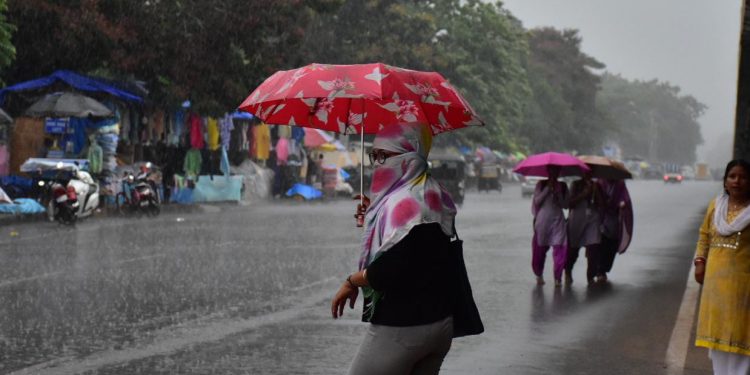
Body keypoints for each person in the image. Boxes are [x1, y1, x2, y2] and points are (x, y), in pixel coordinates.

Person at [331, 123, 459, 375]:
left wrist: (351, 281)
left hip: (404, 322)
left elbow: (391, 268)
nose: (377, 163)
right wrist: (376, 212)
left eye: (384, 156)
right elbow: (422, 247)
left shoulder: (402, 204)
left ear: (408, 158)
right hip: (441, 321)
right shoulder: (434, 192)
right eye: (374, 155)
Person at [694, 159, 750, 374]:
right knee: (718, 342)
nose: (737, 181)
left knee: (740, 340)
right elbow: (704, 236)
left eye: (743, 177)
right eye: (732, 176)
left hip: (743, 288)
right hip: (715, 288)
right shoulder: (716, 206)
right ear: (725, 181)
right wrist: (700, 263)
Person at [531, 166, 569, 286]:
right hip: (543, 222)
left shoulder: (563, 186)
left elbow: (566, 205)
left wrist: (558, 195)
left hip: (558, 221)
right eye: (551, 171)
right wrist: (548, 188)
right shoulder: (541, 184)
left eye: (556, 171)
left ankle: (558, 277)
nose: (554, 173)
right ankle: (539, 274)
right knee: (540, 250)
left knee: (560, 248)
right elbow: (537, 201)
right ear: (547, 172)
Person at [591, 178, 633, 282]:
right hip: (601, 217)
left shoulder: (620, 184)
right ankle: (599, 270)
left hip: (614, 218)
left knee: (612, 245)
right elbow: (595, 200)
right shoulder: (599, 183)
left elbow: (625, 199)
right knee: (602, 244)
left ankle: (604, 269)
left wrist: (622, 204)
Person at [565, 172, 602, 284]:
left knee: (593, 248)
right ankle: (568, 271)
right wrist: (584, 194)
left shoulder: (596, 185)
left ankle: (590, 276)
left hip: (592, 220)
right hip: (577, 219)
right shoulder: (575, 184)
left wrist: (596, 192)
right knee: (573, 250)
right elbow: (570, 203)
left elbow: (601, 204)